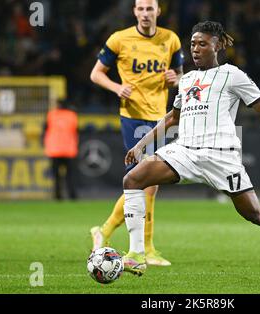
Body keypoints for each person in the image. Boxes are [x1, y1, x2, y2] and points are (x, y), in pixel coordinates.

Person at [119, 21, 260, 280]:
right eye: (192, 44)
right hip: (185, 151)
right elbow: (172, 118)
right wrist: (140, 145)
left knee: (255, 214)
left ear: (218, 45)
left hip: (221, 156)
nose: (196, 49)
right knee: (133, 178)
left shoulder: (232, 74)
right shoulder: (187, 79)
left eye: (202, 43)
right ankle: (136, 255)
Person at [90, 0, 184, 266]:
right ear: (134, 12)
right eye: (140, 9)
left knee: (151, 186)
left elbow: (180, 73)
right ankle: (120, 237)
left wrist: (175, 79)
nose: (145, 13)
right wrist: (117, 88)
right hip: (133, 117)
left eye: (149, 8)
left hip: (160, 117)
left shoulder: (171, 39)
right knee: (146, 183)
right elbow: (96, 74)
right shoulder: (119, 39)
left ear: (158, 11)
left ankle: (122, 238)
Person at [43, 99, 79, 200]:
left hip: (54, 149)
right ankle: (72, 196)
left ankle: (57, 196)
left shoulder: (51, 115)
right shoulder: (72, 115)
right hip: (69, 150)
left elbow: (45, 129)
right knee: (70, 176)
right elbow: (76, 130)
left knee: (56, 176)